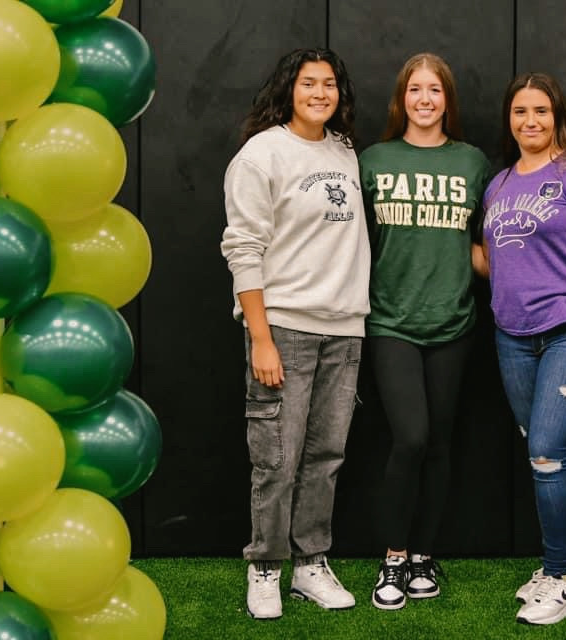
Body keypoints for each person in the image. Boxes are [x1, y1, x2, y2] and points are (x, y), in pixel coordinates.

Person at [221, 47, 370, 620]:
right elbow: (243, 248)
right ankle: (265, 567)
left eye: (329, 84)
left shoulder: (345, 151)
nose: (320, 93)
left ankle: (311, 566)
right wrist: (260, 337)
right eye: (309, 84)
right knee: (276, 461)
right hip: (284, 327)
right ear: (289, 90)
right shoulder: (262, 155)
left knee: (325, 457)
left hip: (346, 328)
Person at [475, 72, 566, 626]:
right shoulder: (499, 183)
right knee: (541, 452)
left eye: (540, 110)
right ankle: (565, 562)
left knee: (546, 454)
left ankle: (560, 575)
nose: (529, 121)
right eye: (519, 112)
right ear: (509, 119)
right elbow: (493, 261)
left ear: (556, 114)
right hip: (512, 336)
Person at [358, 52, 491, 611]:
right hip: (390, 322)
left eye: (435, 90)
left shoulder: (473, 162)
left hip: (453, 322)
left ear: (447, 100)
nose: (425, 99)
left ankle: (422, 557)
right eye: (416, 89)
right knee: (409, 437)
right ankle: (392, 559)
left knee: (438, 445)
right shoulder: (373, 159)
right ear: (402, 98)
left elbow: (489, 241)